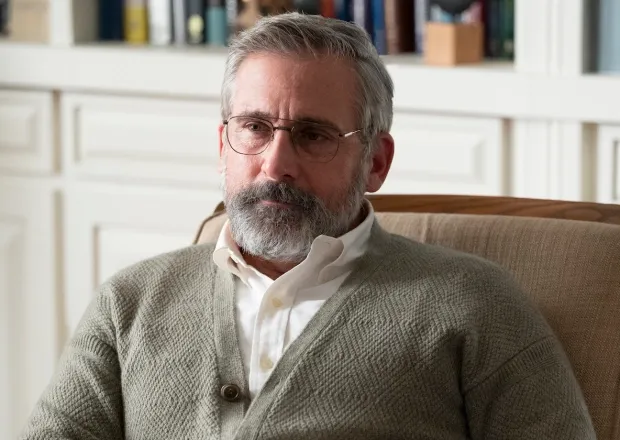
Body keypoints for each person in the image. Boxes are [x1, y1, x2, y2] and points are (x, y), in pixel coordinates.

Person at [22, 12, 596, 440]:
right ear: (222, 145)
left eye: (314, 135)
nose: (276, 164)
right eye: (254, 128)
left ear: (376, 162)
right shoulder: (129, 303)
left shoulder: (475, 304)